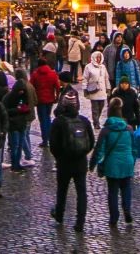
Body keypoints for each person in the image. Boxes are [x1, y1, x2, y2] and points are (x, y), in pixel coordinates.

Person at [49, 92, 94, 232]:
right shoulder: (84, 121)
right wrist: (82, 154)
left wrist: (59, 157)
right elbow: (91, 142)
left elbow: (53, 144)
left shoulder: (58, 122)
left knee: (62, 190)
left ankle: (60, 216)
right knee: (81, 192)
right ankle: (80, 221)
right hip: (80, 162)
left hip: (64, 162)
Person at [90, 98, 135, 229]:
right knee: (126, 188)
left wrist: (92, 164)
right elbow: (134, 147)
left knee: (113, 191)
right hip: (127, 162)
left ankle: (114, 217)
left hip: (112, 165)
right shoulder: (129, 129)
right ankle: (127, 209)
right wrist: (132, 161)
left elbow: (99, 149)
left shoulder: (106, 130)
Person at [30, 59, 61, 151]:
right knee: (47, 117)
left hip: (40, 100)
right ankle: (50, 136)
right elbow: (57, 86)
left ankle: (45, 139)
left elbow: (31, 86)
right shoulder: (53, 73)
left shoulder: (35, 74)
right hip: (50, 99)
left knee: (42, 119)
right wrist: (57, 96)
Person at [82, 51, 111, 125]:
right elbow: (85, 78)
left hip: (102, 91)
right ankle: (96, 122)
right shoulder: (88, 67)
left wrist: (108, 88)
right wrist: (84, 88)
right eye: (97, 57)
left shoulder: (103, 67)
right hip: (93, 90)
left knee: (101, 106)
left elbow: (106, 78)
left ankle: (97, 119)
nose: (98, 59)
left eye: (100, 57)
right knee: (95, 108)